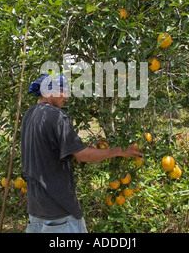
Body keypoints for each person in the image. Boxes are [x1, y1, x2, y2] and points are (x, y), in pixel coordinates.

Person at [21, 73, 142, 233]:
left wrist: (86, 147)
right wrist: (119, 151)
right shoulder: (57, 116)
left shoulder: (29, 115)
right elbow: (81, 155)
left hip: (36, 210)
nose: (67, 96)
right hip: (59, 212)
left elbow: (50, 149)